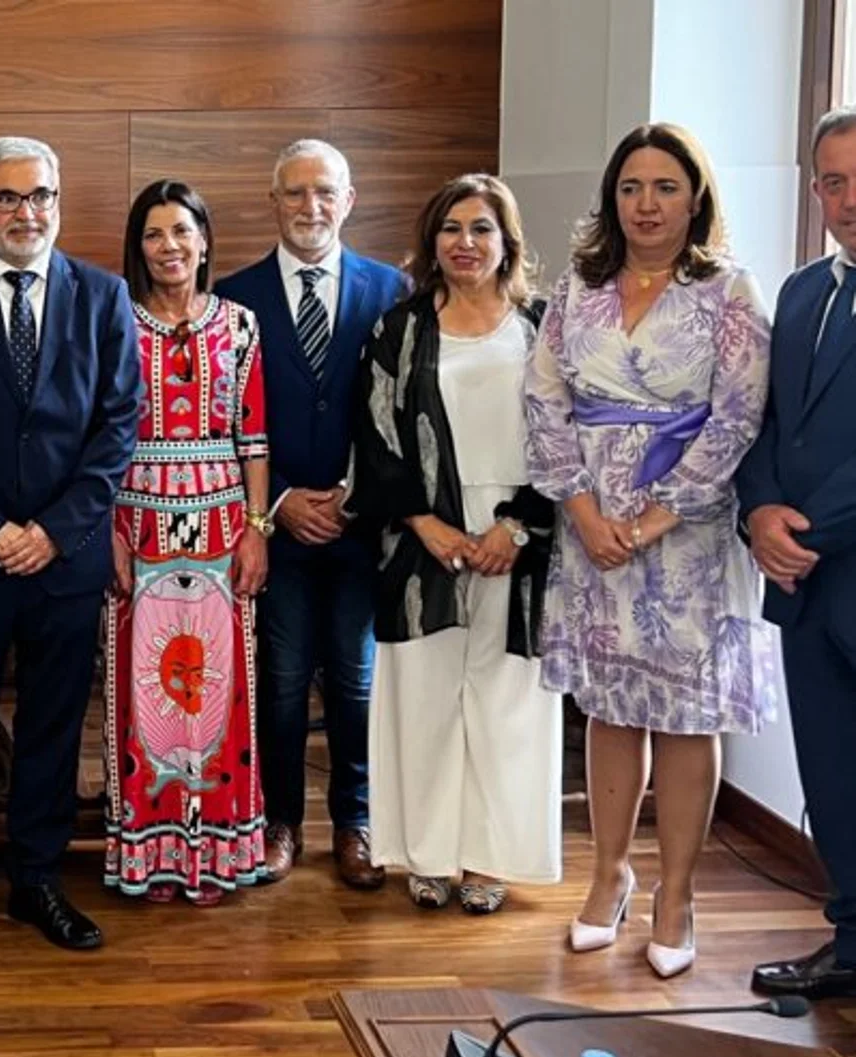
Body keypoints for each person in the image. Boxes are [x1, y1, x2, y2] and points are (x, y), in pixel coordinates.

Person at [526, 123, 780, 980]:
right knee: (609, 707)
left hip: (690, 543)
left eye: (665, 186)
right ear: (612, 199)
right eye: (631, 187)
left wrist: (651, 520)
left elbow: (738, 419)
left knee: (683, 716)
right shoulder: (578, 289)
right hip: (590, 528)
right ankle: (607, 876)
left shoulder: (729, 293)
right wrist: (588, 511)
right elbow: (544, 399)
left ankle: (678, 894)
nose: (646, 203)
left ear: (695, 197)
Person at [0, 137, 139, 955]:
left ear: (59, 199)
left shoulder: (103, 296)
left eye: (38, 195)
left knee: (52, 724)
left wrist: (53, 531)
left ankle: (38, 878)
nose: (24, 212)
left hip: (65, 556)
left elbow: (117, 428)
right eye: (5, 198)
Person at [348, 174, 561, 915]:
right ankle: (428, 856)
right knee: (425, 697)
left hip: (518, 536)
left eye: (481, 229)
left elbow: (570, 438)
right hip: (421, 538)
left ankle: (488, 860)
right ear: (431, 241)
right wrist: (424, 523)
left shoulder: (544, 326)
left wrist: (516, 525)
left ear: (508, 242)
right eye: (451, 228)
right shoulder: (399, 329)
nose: (465, 243)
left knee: (506, 702)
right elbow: (374, 436)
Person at [214, 140, 407, 888]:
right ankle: (280, 820)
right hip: (278, 528)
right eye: (293, 193)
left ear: (348, 200)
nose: (309, 207)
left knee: (358, 682)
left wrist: (355, 494)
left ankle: (355, 823)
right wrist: (284, 499)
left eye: (324, 192)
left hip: (363, 527)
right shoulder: (234, 298)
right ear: (273, 203)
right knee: (286, 679)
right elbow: (225, 421)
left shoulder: (391, 289)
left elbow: (402, 409)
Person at [104, 179, 269, 905]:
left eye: (182, 231)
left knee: (216, 693)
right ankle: (152, 852)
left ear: (204, 240)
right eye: (153, 234)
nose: (169, 247)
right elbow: (101, 434)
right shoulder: (116, 320)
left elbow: (254, 439)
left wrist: (258, 529)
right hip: (137, 527)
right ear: (137, 248)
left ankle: (216, 850)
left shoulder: (239, 325)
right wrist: (105, 532)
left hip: (221, 528)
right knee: (146, 693)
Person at [742, 106, 856, 1001]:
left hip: (833, 559)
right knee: (831, 768)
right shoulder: (801, 291)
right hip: (803, 589)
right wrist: (757, 511)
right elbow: (767, 423)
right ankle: (852, 944)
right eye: (835, 180)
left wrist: (802, 532)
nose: (850, 199)